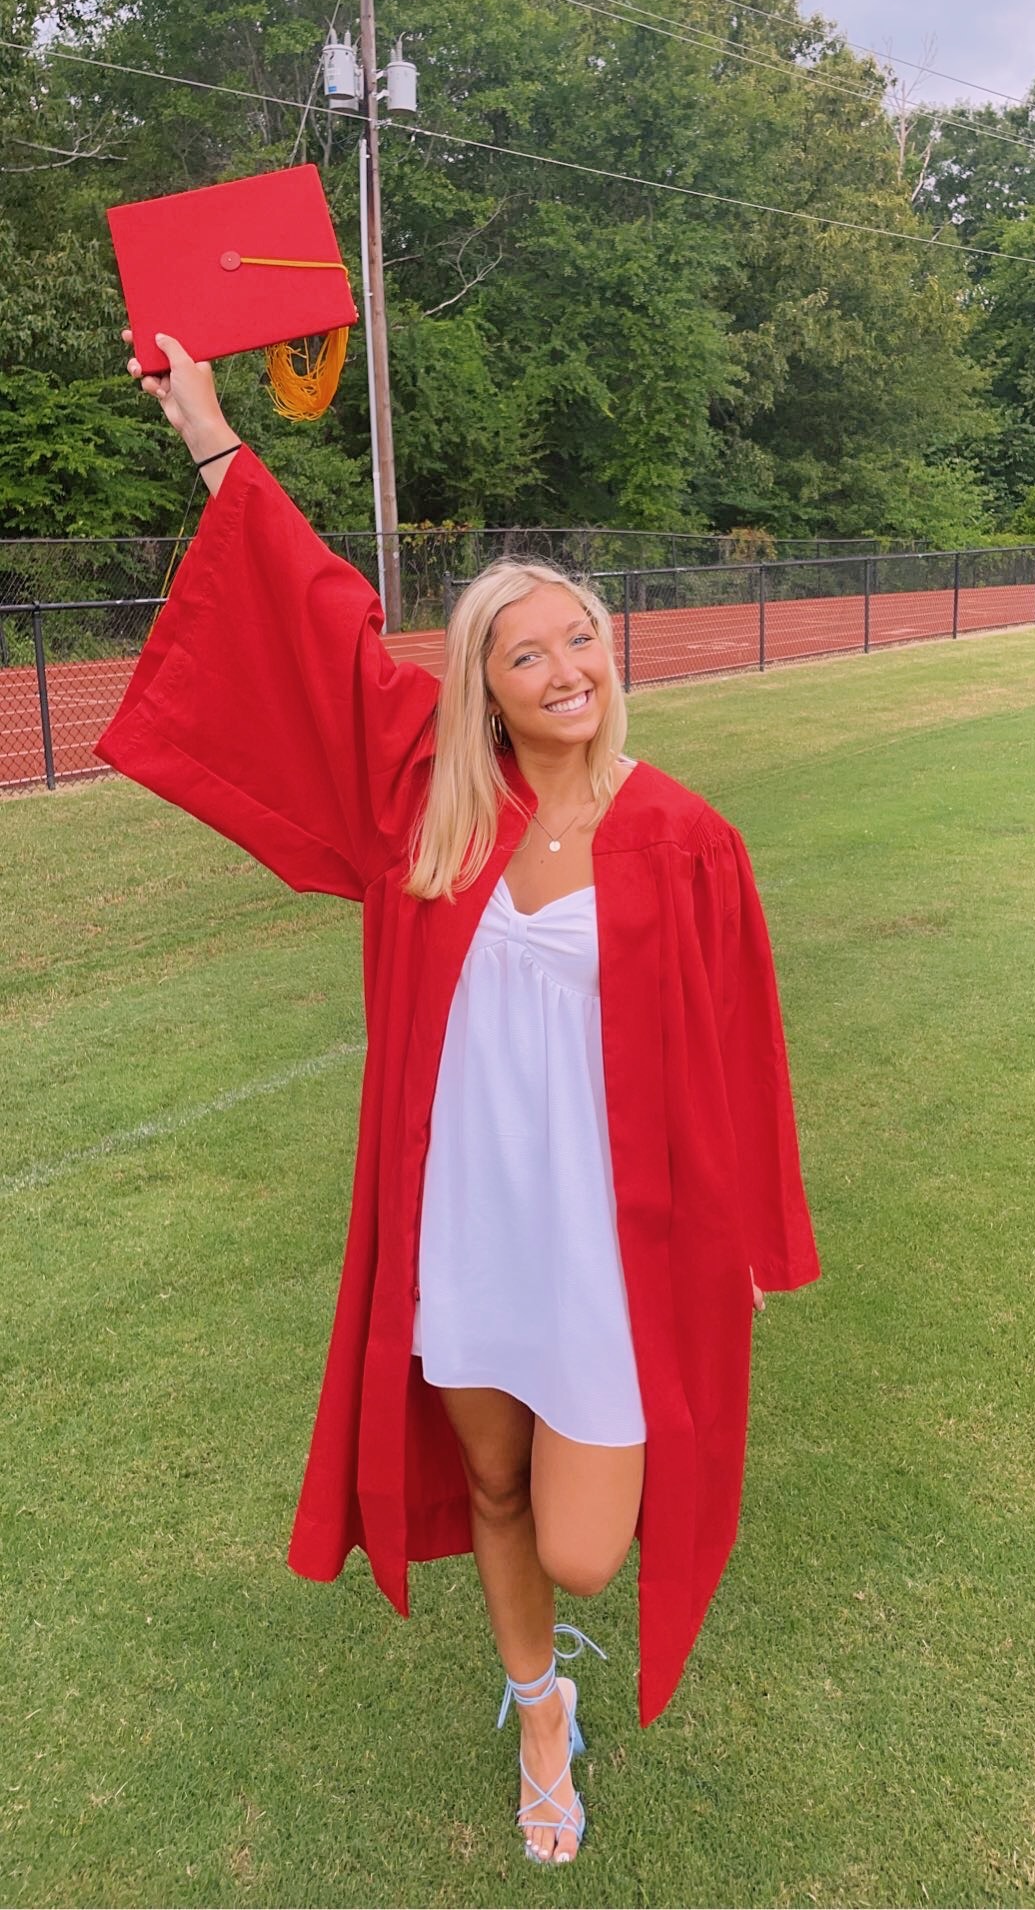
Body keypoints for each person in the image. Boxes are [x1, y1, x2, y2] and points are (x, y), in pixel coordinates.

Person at [97, 332, 821, 1867]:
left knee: (587, 1544)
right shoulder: (433, 801)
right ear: (482, 684)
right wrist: (207, 425)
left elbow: (739, 1051)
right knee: (493, 1479)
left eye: (582, 639)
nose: (565, 671)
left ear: (613, 651)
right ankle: (540, 1712)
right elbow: (313, 621)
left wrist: (751, 1246)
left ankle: (567, 1641)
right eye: (525, 653)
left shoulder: (685, 838)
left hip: (608, 1242)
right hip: (466, 1222)